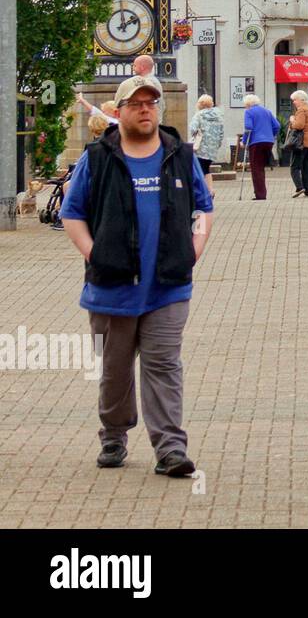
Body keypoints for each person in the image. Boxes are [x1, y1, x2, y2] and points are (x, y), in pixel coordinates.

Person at [59, 75, 214, 476]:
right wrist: (97, 254)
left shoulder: (180, 155)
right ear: (119, 111)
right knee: (115, 371)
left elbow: (203, 207)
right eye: (136, 104)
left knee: (164, 366)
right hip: (112, 289)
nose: (145, 110)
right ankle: (113, 435)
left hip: (168, 286)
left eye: (151, 103)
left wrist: (193, 249)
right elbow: (71, 213)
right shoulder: (97, 158)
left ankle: (170, 449)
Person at [241, 95, 280, 201]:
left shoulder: (249, 112)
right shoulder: (267, 111)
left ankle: (260, 194)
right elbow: (277, 125)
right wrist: (270, 135)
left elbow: (248, 127)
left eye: (245, 105)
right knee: (261, 167)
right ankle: (261, 192)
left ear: (248, 104)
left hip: (256, 142)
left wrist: (244, 141)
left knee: (256, 168)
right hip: (268, 141)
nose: (245, 107)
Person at [188, 95, 224, 196]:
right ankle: (210, 190)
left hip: (200, 148)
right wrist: (217, 145)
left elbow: (193, 129)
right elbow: (221, 133)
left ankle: (204, 192)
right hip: (212, 148)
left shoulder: (198, 115)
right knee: (206, 168)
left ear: (200, 104)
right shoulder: (218, 117)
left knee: (199, 169)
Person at [288, 90, 308, 198]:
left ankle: (300, 187)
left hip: (301, 143)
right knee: (306, 167)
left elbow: (299, 125)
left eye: (295, 100)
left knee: (294, 167)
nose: (294, 102)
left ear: (301, 100)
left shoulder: (301, 110)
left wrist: (292, 121)